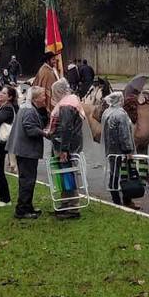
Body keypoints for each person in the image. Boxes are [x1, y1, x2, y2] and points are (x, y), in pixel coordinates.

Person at [6, 85, 49, 219]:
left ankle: (27, 206)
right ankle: (22, 209)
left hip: (23, 149)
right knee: (27, 180)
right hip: (26, 151)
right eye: (43, 95)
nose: (45, 98)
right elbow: (30, 129)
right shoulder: (30, 110)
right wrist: (45, 133)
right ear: (36, 98)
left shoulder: (27, 107)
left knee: (27, 179)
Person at [47, 78, 86, 219]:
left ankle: (73, 207)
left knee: (68, 175)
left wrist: (64, 149)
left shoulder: (66, 105)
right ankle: (65, 203)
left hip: (66, 147)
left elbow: (66, 128)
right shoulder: (72, 100)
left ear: (58, 91)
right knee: (65, 176)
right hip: (70, 145)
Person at [102, 91, 143, 208]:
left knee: (114, 174)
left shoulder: (107, 112)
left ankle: (116, 198)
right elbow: (124, 134)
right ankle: (126, 200)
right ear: (120, 100)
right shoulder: (121, 114)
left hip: (111, 149)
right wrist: (128, 150)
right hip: (121, 151)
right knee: (126, 175)